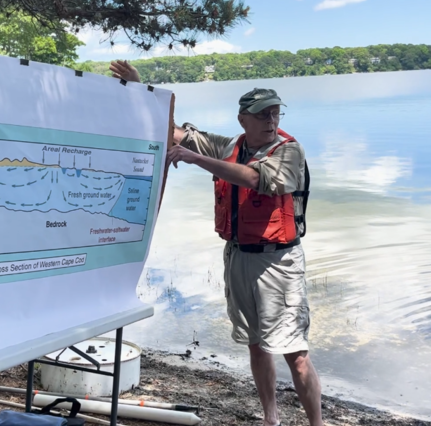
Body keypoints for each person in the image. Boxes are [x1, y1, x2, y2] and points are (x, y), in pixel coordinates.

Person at [109, 60, 323, 426]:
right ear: (243, 119)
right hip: (239, 256)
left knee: (295, 352)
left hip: (278, 263)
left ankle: (316, 423)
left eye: (275, 113)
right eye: (263, 115)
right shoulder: (229, 146)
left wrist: (197, 159)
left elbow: (256, 180)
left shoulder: (289, 151)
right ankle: (270, 419)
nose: (271, 121)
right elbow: (174, 133)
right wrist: (140, 88)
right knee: (256, 343)